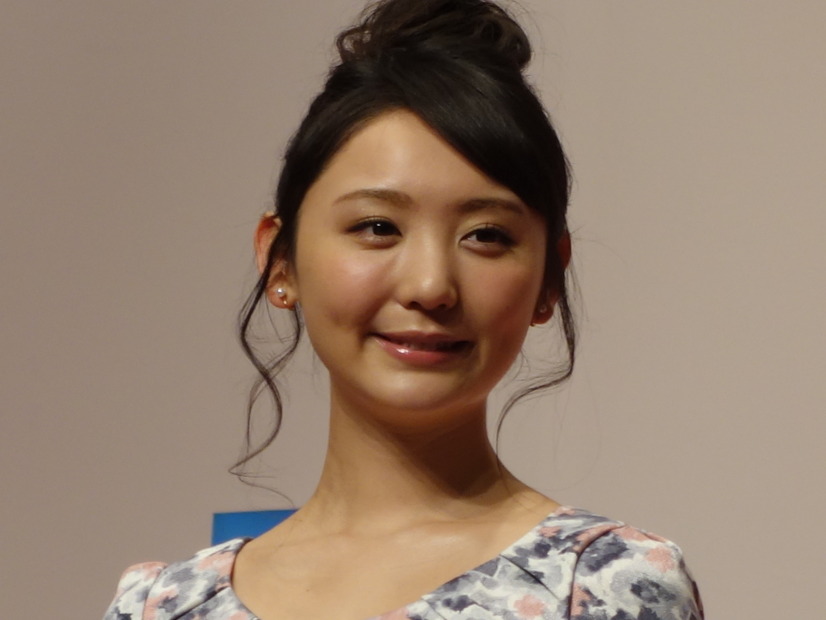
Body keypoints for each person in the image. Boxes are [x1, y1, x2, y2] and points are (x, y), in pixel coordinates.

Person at [104, 0, 703, 618]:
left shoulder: (605, 584)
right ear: (281, 261)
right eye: (377, 226)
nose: (430, 285)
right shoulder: (164, 604)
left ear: (550, 278)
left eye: (486, 235)